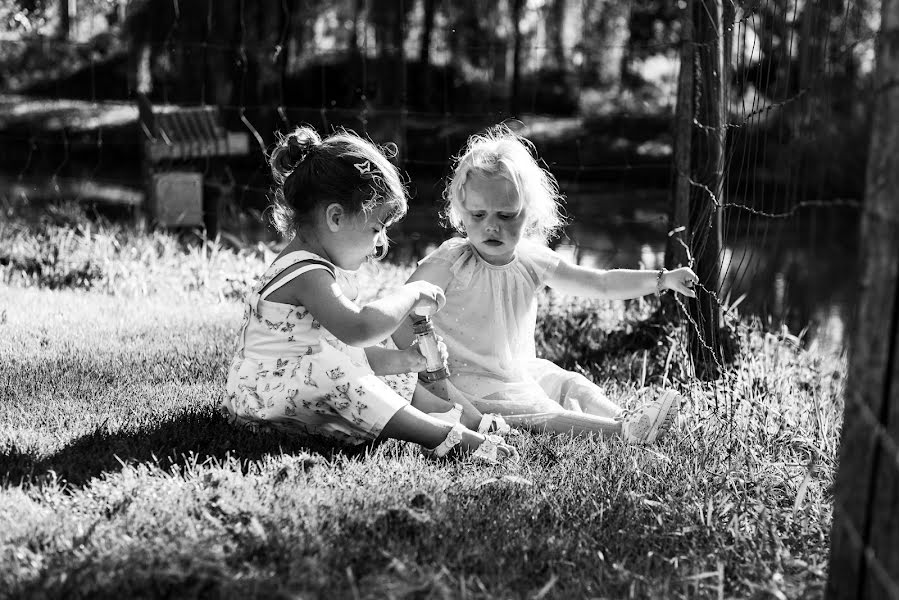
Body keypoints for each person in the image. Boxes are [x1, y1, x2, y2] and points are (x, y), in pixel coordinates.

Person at [223, 125, 517, 463]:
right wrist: (410, 293)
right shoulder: (307, 273)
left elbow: (347, 350)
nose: (379, 245)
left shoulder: (314, 267)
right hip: (262, 398)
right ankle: (443, 436)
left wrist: (404, 362)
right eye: (375, 229)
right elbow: (360, 329)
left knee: (363, 365)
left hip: (286, 388)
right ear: (335, 217)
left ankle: (463, 418)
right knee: (338, 366)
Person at [394, 124, 698, 444]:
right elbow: (398, 311)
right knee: (538, 410)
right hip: (463, 380)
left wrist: (662, 279)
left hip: (516, 371)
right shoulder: (452, 260)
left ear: (529, 212)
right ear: (461, 212)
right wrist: (422, 367)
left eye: (506, 215)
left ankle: (627, 417)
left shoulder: (532, 259)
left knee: (570, 382)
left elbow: (601, 283)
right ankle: (620, 433)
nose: (491, 226)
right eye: (478, 215)